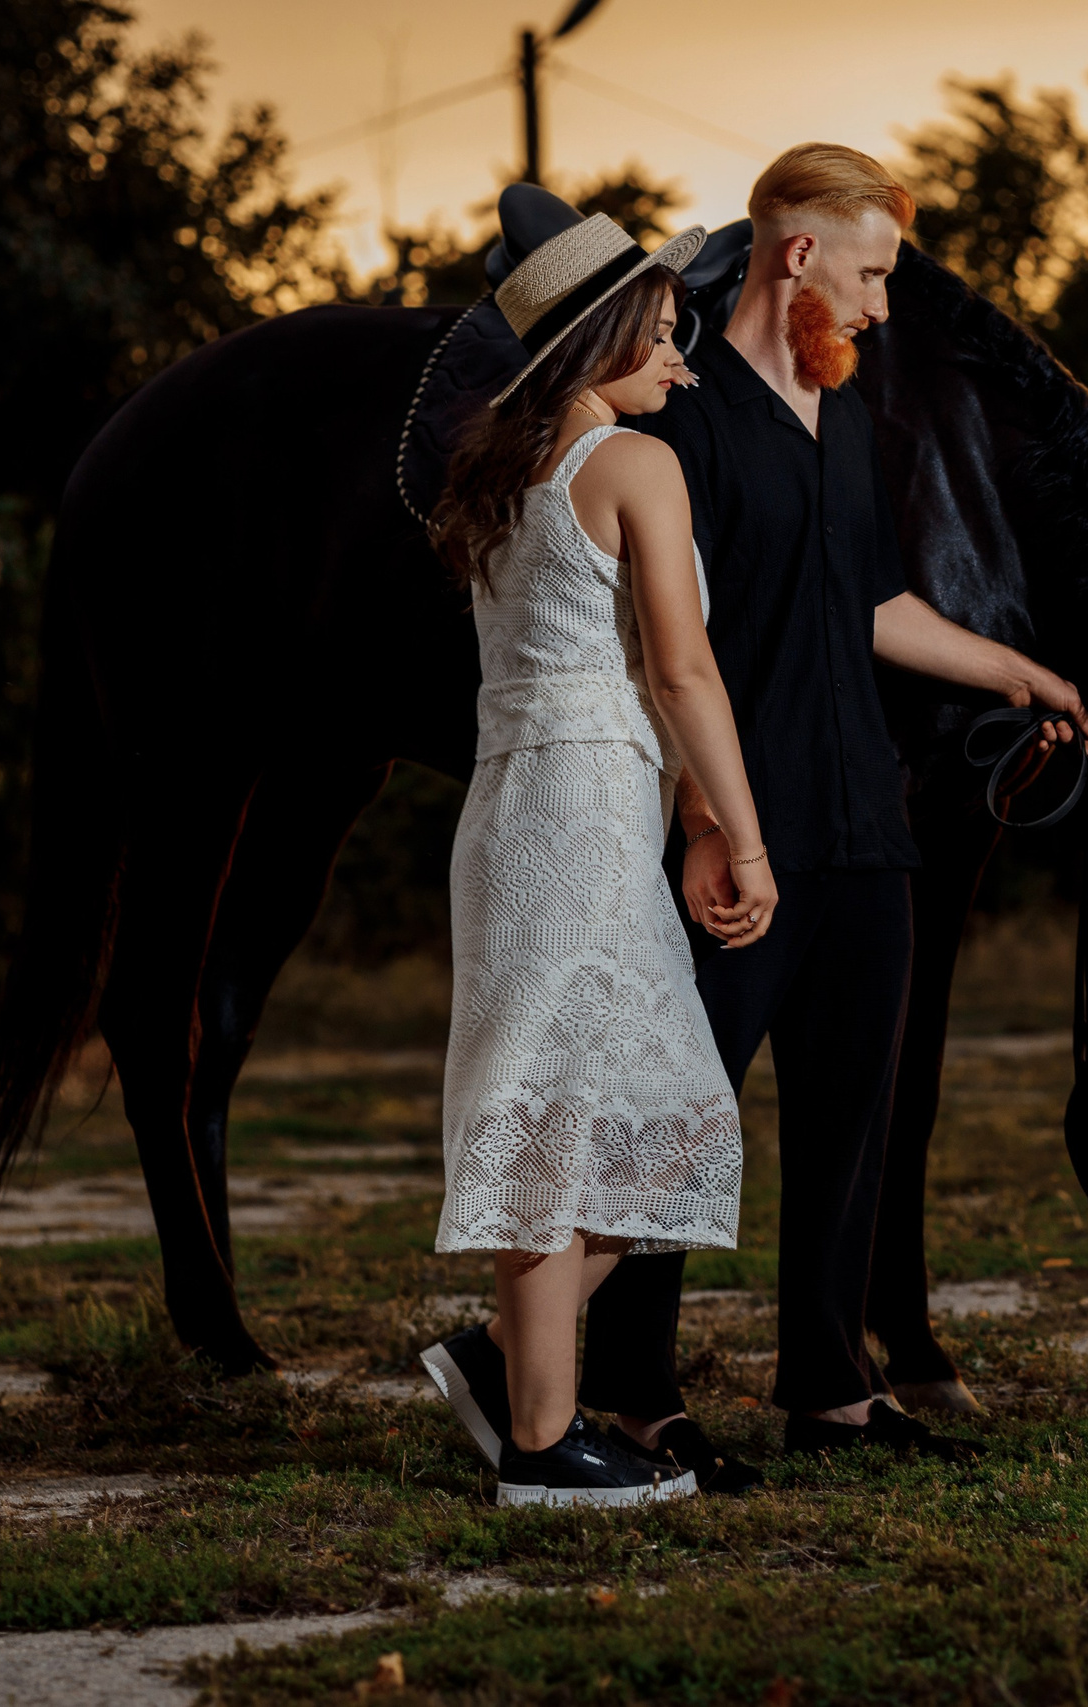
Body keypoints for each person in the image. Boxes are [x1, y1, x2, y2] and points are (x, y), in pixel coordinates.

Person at [579, 143, 1088, 1483]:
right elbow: (651, 645)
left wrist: (1016, 665)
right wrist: (701, 816)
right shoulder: (678, 419)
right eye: (870, 276)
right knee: (683, 1111)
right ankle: (634, 1397)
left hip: (869, 814)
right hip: (739, 824)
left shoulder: (845, 410)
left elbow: (875, 605)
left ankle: (832, 1391)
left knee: (851, 1110)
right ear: (797, 255)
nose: (879, 308)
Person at [418, 212, 776, 1508]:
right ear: (606, 336)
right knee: (595, 1121)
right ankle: (541, 1444)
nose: (683, 362)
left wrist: (681, 818)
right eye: (669, 333)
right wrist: (742, 833)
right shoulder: (636, 466)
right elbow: (680, 671)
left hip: (518, 808)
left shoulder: (503, 475)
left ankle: (511, 1366)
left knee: (622, 1121)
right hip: (577, 808)